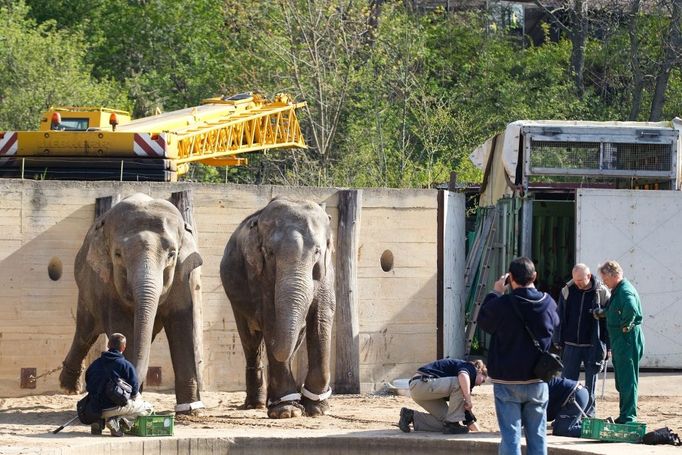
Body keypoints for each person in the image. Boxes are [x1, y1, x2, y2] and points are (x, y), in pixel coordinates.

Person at [477, 256, 559, 455]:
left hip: (507, 380)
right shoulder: (547, 302)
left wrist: (496, 291)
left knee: (510, 436)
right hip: (538, 378)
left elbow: (483, 322)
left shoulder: (503, 303)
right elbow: (556, 328)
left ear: (510, 278)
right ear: (535, 276)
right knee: (538, 437)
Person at [554, 263, 610, 417]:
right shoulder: (567, 291)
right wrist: (558, 339)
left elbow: (608, 322)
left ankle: (589, 415)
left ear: (589, 276)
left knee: (591, 384)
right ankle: (566, 415)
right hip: (571, 345)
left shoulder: (602, 292)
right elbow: (559, 316)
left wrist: (608, 347)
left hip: (593, 345)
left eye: (580, 280)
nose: (577, 284)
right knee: (567, 383)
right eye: (575, 280)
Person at [597, 260, 644, 424]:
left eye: (605, 278)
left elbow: (630, 308)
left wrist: (626, 325)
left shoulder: (624, 291)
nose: (604, 282)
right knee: (623, 379)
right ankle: (625, 414)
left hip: (626, 340)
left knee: (627, 379)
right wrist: (603, 313)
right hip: (621, 341)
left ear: (613, 275)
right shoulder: (618, 291)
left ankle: (628, 416)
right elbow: (616, 309)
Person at [84, 333, 153, 436]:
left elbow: (88, 383)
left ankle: (98, 421)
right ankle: (118, 421)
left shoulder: (94, 364)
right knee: (148, 407)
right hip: (113, 408)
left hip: (93, 408)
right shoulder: (126, 365)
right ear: (123, 347)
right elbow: (134, 392)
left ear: (108, 345)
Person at [397, 358, 487, 434]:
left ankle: (410, 416)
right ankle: (452, 424)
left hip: (421, 390)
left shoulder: (464, 385)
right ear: (479, 370)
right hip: (421, 383)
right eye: (483, 380)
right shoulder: (470, 367)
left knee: (446, 423)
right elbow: (463, 376)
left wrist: (478, 433)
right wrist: (468, 399)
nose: (480, 385)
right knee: (460, 383)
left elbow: (466, 414)